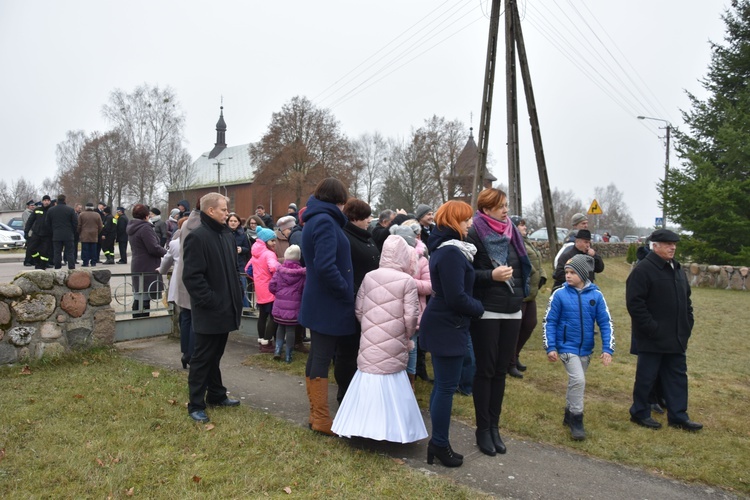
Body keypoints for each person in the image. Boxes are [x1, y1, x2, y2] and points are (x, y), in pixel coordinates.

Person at [331, 234, 427, 443]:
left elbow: (359, 308)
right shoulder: (407, 281)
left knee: (367, 379)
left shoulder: (369, 276)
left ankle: (360, 426)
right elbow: (411, 316)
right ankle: (392, 430)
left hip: (369, 337)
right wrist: (407, 335)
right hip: (395, 338)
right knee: (392, 382)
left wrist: (370, 326)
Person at [465, 188, 531, 456]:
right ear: (486, 209)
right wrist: (491, 275)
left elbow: (523, 265)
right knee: (486, 370)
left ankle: (494, 427)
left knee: (501, 370)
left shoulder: (512, 230)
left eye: (506, 205)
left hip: (513, 308)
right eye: (501, 206)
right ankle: (482, 429)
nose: (506, 210)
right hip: (488, 311)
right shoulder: (475, 233)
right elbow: (468, 274)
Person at [419, 200, 484, 468]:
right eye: (466, 219)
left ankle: (439, 442)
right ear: (455, 221)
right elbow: (456, 296)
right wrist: (479, 309)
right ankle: (440, 443)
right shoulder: (451, 253)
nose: (470, 223)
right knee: (445, 387)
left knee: (443, 387)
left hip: (446, 323)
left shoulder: (451, 251)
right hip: (448, 325)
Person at [626, 229, 703, 432]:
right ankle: (640, 413)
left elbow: (686, 300)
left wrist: (687, 323)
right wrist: (652, 328)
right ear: (655, 245)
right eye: (668, 244)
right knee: (647, 377)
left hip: (676, 337)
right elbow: (635, 304)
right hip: (652, 338)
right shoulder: (643, 270)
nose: (673, 247)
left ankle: (678, 416)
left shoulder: (676, 269)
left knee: (677, 377)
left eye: (674, 244)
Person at [299, 178, 359, 436]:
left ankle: (317, 415)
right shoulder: (325, 220)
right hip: (328, 301)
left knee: (317, 357)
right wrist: (345, 290)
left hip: (321, 299)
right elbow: (325, 265)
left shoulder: (317, 218)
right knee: (321, 357)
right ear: (339, 200)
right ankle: (321, 418)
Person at [182, 192, 243, 424]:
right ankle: (196, 404)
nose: (227, 213)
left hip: (226, 308)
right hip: (210, 310)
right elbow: (193, 277)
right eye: (224, 209)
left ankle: (216, 394)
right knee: (202, 357)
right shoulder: (198, 237)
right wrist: (211, 301)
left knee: (215, 355)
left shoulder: (226, 235)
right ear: (211, 211)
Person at [543, 254, 614, 441]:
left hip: (586, 349)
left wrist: (607, 349)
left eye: (572, 272)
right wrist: (551, 346)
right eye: (566, 272)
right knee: (579, 380)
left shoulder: (596, 296)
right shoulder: (559, 294)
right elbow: (549, 321)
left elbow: (605, 323)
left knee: (575, 381)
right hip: (566, 347)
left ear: (583, 274)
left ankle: (567, 414)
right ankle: (577, 419)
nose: (568, 275)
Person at [391, 221, 431, 391]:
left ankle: (410, 382)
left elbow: (429, 286)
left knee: (412, 348)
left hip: (415, 311)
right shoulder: (390, 260)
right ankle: (395, 381)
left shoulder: (422, 261)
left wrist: (409, 282)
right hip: (393, 310)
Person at [509, 216, 547, 378]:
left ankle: (515, 355)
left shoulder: (526, 241)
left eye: (524, 225)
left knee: (530, 323)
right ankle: (509, 363)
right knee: (514, 329)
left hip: (531, 292)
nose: (525, 228)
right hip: (520, 292)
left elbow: (537, 260)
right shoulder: (513, 242)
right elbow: (523, 264)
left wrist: (542, 276)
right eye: (521, 225)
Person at [159, 216, 191, 368]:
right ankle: (193, 350)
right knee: (194, 318)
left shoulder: (174, 243)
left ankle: (185, 350)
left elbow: (166, 260)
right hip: (194, 282)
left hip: (179, 281)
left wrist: (161, 271)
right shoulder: (197, 240)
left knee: (184, 316)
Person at [126, 204, 167, 318]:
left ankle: (137, 321)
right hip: (147, 264)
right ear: (146, 215)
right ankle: (141, 324)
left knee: (139, 295)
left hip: (138, 263)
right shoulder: (145, 228)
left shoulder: (133, 226)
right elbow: (153, 247)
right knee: (144, 296)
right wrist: (168, 253)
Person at [268, 245, 306, 363]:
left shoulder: (279, 271)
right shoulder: (301, 274)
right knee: (290, 330)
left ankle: (278, 350)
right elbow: (304, 289)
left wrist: (279, 294)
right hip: (294, 307)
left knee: (280, 327)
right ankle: (289, 355)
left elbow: (271, 286)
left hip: (279, 305)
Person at [249, 227, 280, 353]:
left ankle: (262, 339)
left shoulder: (255, 254)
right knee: (273, 317)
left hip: (260, 289)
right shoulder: (269, 254)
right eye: (272, 240)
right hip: (270, 289)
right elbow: (274, 268)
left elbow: (247, 269)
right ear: (266, 241)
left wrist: (257, 278)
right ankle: (267, 342)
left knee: (262, 316)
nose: (274, 243)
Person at [342, 198, 380, 295]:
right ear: (354, 217)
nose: (369, 221)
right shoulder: (345, 238)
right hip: (359, 294)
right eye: (366, 217)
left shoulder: (366, 236)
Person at [45, 194, 77, 270]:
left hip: (56, 235)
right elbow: (75, 223)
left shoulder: (51, 210)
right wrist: (72, 231)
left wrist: (52, 231)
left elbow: (47, 223)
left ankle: (57, 268)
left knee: (57, 252)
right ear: (65, 200)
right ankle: (71, 268)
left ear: (57, 200)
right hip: (68, 235)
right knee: (70, 252)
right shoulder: (70, 210)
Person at [227, 213, 250, 308]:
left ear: (239, 223)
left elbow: (248, 249)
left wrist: (241, 249)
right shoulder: (224, 233)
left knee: (243, 290)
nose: (233, 223)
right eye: (231, 221)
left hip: (240, 265)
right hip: (227, 265)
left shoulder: (243, 235)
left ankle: (246, 309)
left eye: (235, 221)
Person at [25, 196, 53, 269]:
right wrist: (26, 231)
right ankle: (37, 262)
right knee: (31, 249)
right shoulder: (37, 210)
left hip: (47, 235)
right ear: (42, 201)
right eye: (45, 200)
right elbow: (30, 221)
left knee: (45, 252)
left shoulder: (52, 210)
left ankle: (43, 265)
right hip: (36, 233)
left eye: (48, 200)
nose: (46, 202)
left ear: (50, 201)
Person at [78, 202, 103, 267]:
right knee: (94, 249)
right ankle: (93, 262)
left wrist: (79, 232)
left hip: (84, 234)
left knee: (85, 249)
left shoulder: (82, 214)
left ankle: (85, 262)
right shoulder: (97, 215)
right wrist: (97, 232)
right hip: (94, 235)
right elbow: (100, 226)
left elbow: (79, 225)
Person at [22, 199, 35, 266]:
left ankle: (32, 260)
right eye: (31, 205)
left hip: (34, 232)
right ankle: (27, 261)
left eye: (33, 205)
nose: (33, 206)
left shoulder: (33, 212)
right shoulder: (26, 213)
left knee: (33, 247)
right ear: (28, 206)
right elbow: (28, 222)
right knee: (29, 248)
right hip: (29, 232)